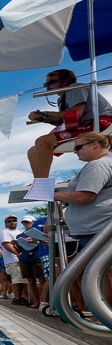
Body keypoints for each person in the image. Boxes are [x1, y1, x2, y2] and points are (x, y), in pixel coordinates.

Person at [54, 132, 112, 312]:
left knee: (103, 274)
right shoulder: (100, 165)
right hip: (95, 230)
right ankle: (102, 314)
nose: (75, 152)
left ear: (95, 144)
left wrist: (55, 194)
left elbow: (84, 196)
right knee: (100, 274)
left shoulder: (98, 165)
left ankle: (104, 315)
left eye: (78, 147)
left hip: (100, 231)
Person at [27, 69, 112, 178]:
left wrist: (45, 113)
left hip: (100, 124)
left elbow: (75, 114)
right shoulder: (62, 99)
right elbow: (65, 121)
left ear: (65, 81)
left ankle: (42, 184)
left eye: (51, 82)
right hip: (84, 126)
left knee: (43, 141)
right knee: (33, 151)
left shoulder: (74, 88)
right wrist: (43, 118)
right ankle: (38, 183)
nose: (47, 86)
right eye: (46, 84)